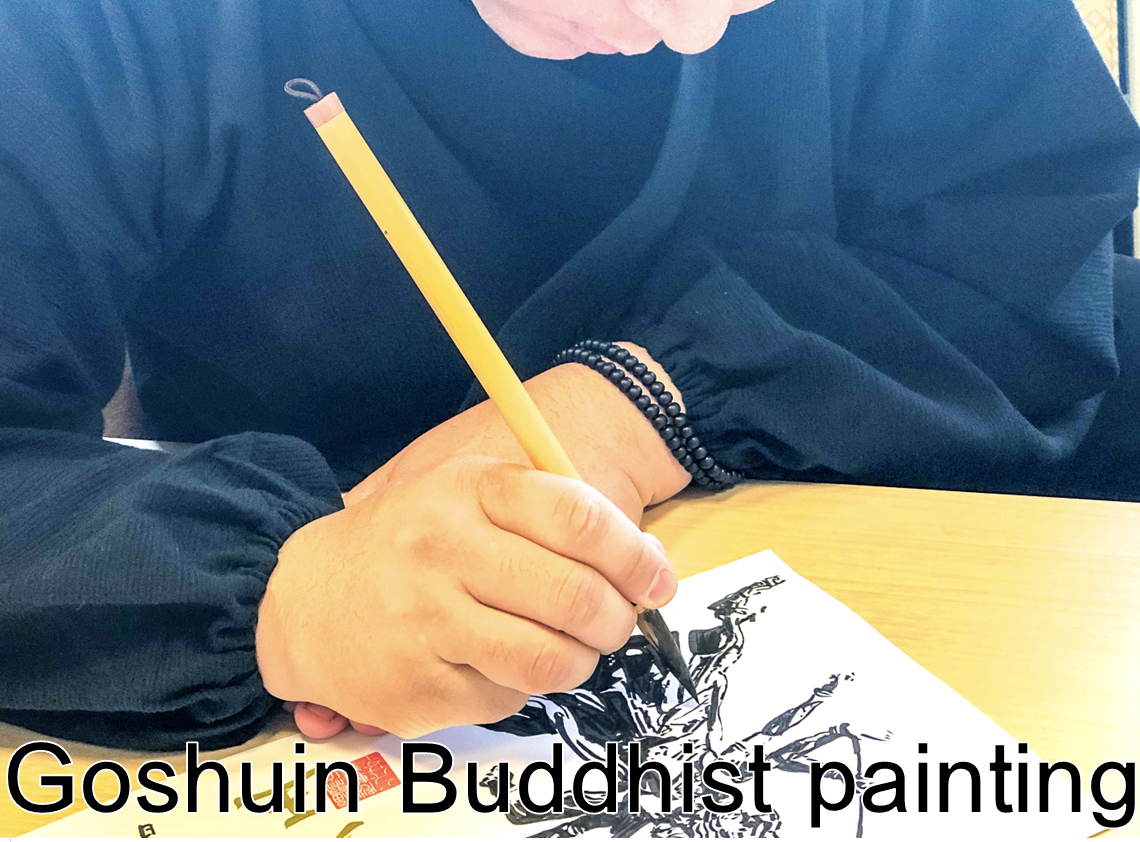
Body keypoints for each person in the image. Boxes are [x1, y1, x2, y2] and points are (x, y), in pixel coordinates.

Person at [1, 0, 1138, 751]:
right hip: (363, 699)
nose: (693, 26)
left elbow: (1024, 246)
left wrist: (635, 403)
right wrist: (283, 591)